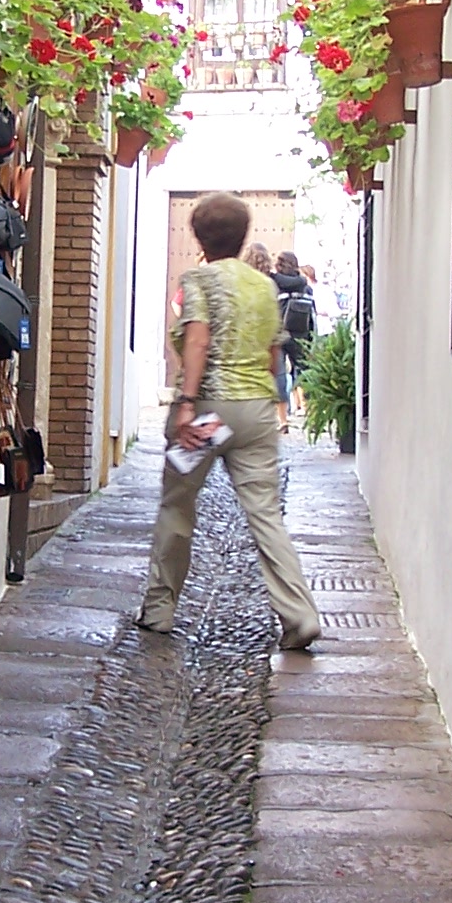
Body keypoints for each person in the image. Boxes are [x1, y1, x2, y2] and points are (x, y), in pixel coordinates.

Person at [141, 192, 322, 649]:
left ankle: (160, 609)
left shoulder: (199, 278)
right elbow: (273, 356)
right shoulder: (264, 286)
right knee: (264, 513)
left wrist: (186, 403)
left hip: (207, 413)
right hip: (257, 413)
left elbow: (198, 341)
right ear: (242, 237)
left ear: (199, 236)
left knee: (178, 503)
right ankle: (299, 615)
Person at [270, 249, 316, 427]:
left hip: (280, 333)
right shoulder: (305, 286)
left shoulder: (275, 284)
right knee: (305, 373)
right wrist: (311, 337)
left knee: (280, 375)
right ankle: (311, 412)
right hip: (301, 334)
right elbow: (312, 314)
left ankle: (282, 419)